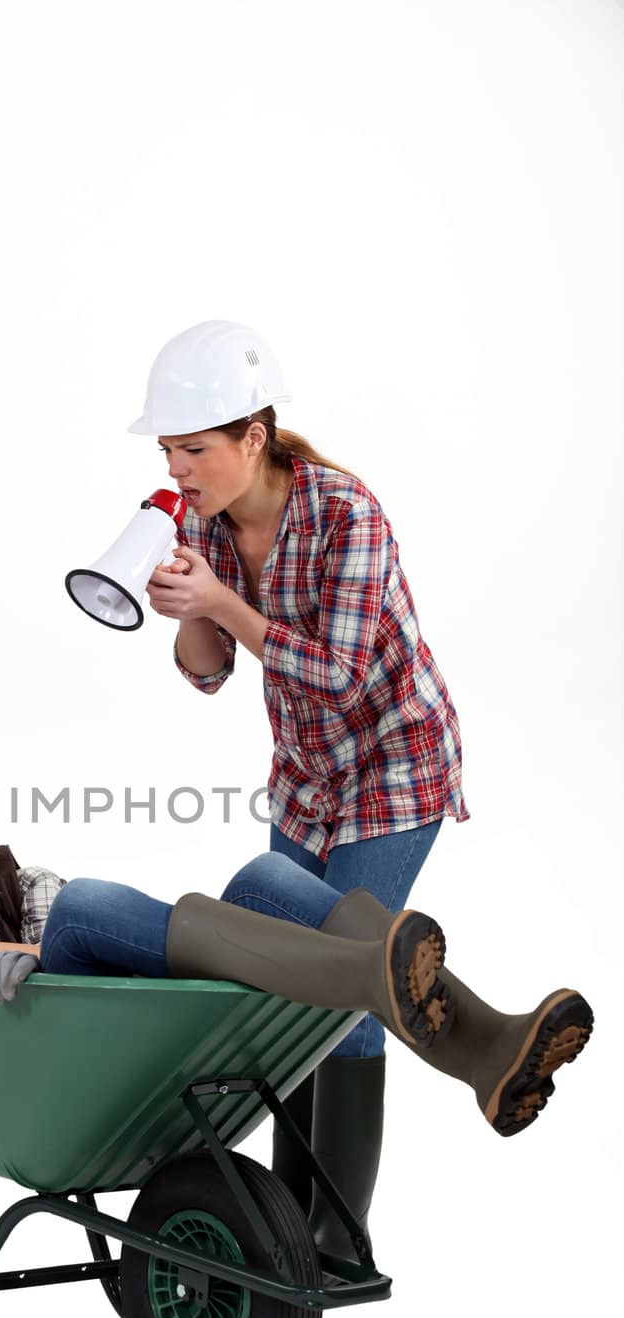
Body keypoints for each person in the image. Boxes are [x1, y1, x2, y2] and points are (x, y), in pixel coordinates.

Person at [0, 743, 592, 1258]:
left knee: (270, 880)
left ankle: (485, 1044)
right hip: (84, 1067)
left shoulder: (15, 887)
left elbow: (53, 957)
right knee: (85, 909)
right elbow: (47, 978)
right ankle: (373, 983)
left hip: (149, 1026)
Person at [128, 319, 470, 1253]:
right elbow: (206, 673)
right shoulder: (203, 522)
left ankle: (337, 1235)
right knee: (288, 984)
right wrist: (183, 602)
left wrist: (224, 604)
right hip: (309, 780)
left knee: (347, 977)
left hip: (396, 764)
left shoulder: (346, 513)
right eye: (168, 450)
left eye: (194, 449)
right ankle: (285, 1213)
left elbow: (341, 677)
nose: (180, 467)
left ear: (252, 437)